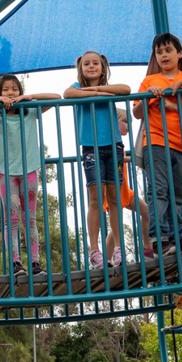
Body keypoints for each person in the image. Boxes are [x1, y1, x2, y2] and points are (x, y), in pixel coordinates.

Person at [135, 33, 182, 257]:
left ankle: (177, 236)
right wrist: (148, 96)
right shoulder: (150, 81)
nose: (164, 55)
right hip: (157, 141)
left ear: (179, 54)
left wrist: (169, 104)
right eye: (159, 52)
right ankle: (160, 238)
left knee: (178, 192)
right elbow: (137, 112)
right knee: (158, 190)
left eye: (168, 50)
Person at [0, 73, 54, 278]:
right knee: (12, 219)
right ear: (0, 93)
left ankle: (35, 262)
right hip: (6, 173)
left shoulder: (30, 111)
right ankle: (16, 263)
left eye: (15, 89)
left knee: (31, 219)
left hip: (29, 171)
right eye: (5, 89)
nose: (11, 93)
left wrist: (28, 98)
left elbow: (56, 96)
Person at [65, 51, 132, 269]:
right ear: (80, 68)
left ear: (103, 67)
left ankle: (118, 249)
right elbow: (67, 94)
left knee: (114, 198)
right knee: (95, 198)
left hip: (113, 145)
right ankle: (95, 251)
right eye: (87, 63)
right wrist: (95, 92)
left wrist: (97, 90)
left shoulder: (110, 88)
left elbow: (126, 90)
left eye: (96, 63)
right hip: (91, 147)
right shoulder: (77, 87)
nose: (91, 66)